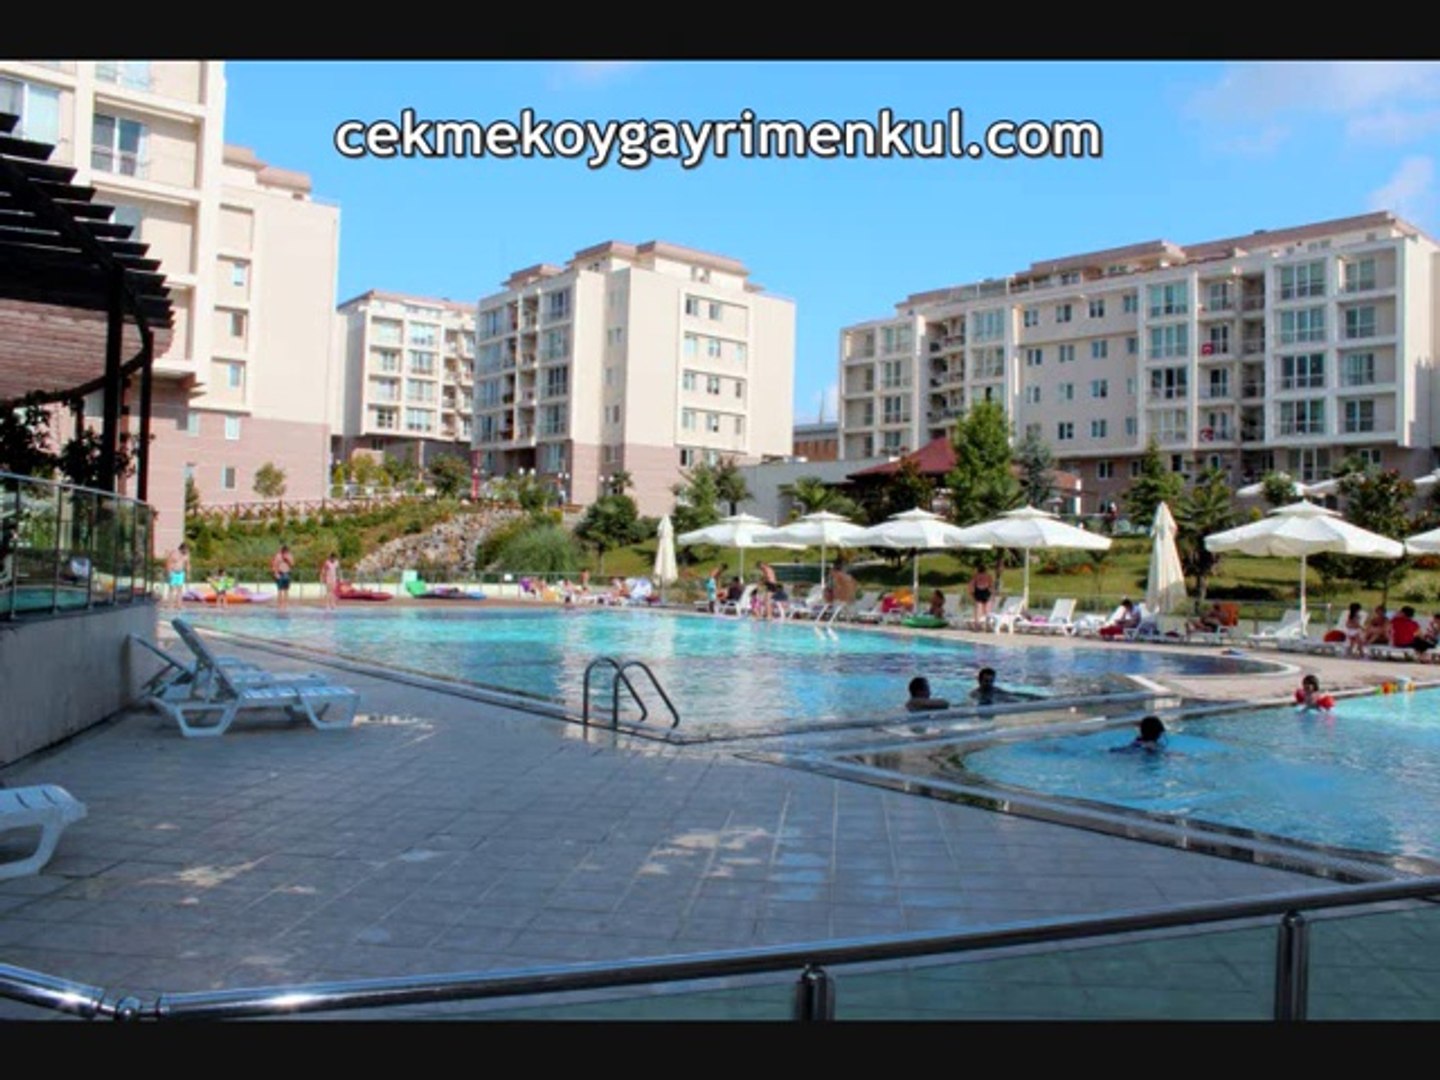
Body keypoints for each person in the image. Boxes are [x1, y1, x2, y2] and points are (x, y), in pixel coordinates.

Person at [164, 543, 190, 609]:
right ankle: (170, 605)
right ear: (182, 548)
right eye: (186, 550)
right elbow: (168, 563)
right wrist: (169, 573)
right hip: (173, 573)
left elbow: (187, 564)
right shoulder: (174, 553)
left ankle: (179, 605)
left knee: (180, 589)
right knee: (172, 589)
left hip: (181, 573)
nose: (187, 551)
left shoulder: (186, 555)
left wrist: (188, 574)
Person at [271, 543, 295, 610]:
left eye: (286, 551)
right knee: (280, 589)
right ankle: (280, 604)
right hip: (280, 573)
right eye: (284, 551)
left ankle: (286, 604)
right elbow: (275, 565)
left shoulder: (289, 555)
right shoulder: (278, 556)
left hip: (287, 573)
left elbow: (292, 564)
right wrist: (276, 573)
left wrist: (287, 559)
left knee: (286, 590)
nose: (285, 552)